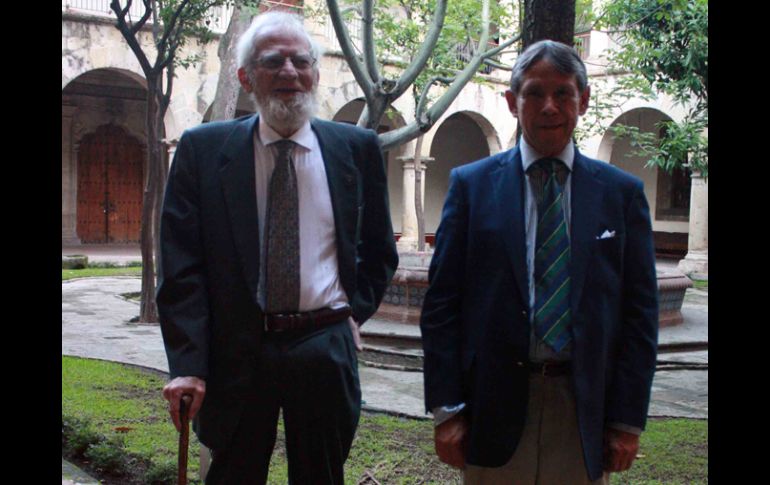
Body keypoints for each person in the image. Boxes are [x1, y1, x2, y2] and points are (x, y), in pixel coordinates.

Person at [157, 11, 398, 484]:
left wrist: (350, 313)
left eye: (300, 60)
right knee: (233, 474)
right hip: (237, 349)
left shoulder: (356, 149)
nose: (289, 72)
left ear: (315, 72)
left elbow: (379, 250)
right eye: (273, 61)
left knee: (322, 476)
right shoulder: (203, 151)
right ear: (246, 77)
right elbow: (182, 266)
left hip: (324, 346)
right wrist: (187, 364)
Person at [420, 39, 658, 484]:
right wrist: (446, 408)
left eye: (563, 93)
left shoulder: (620, 195)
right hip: (491, 405)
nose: (549, 106)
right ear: (512, 102)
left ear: (583, 101)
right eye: (533, 92)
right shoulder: (471, 187)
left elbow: (639, 315)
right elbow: (441, 307)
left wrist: (627, 420)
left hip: (584, 406)